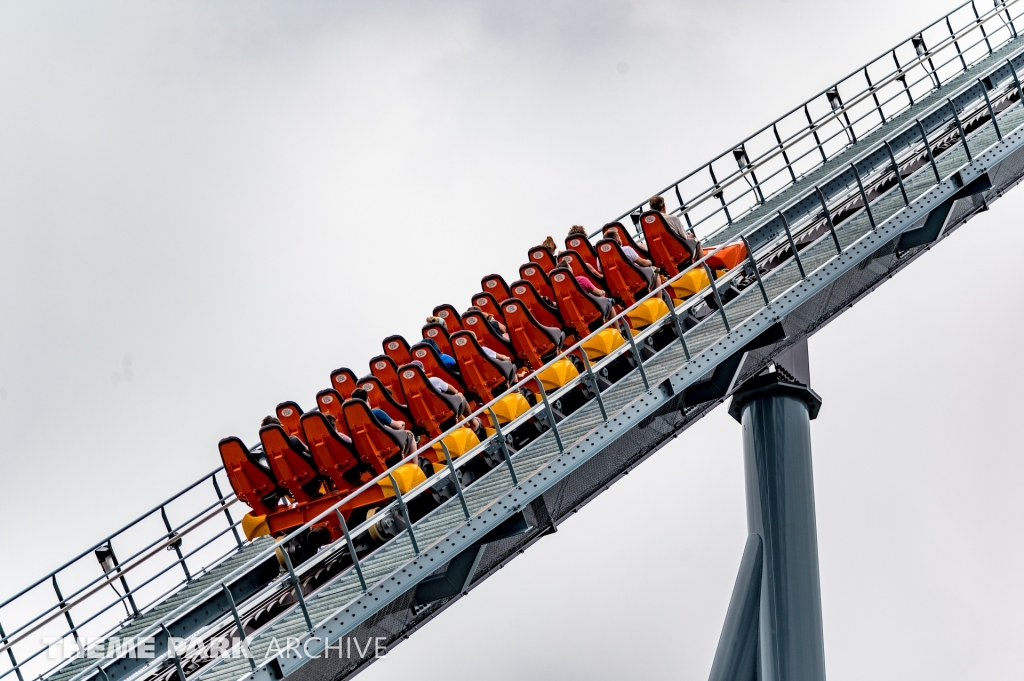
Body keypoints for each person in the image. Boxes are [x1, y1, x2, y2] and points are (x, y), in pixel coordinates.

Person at [411, 361, 485, 437]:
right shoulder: (434, 381)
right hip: (447, 416)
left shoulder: (410, 394)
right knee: (460, 395)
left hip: (429, 423)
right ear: (423, 371)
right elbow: (454, 391)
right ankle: (474, 424)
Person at [605, 226, 664, 290]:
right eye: (619, 237)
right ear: (616, 238)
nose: (621, 239)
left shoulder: (600, 259)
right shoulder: (626, 249)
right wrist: (650, 261)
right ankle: (660, 298)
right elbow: (643, 263)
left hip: (618, 286)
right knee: (655, 271)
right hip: (635, 280)